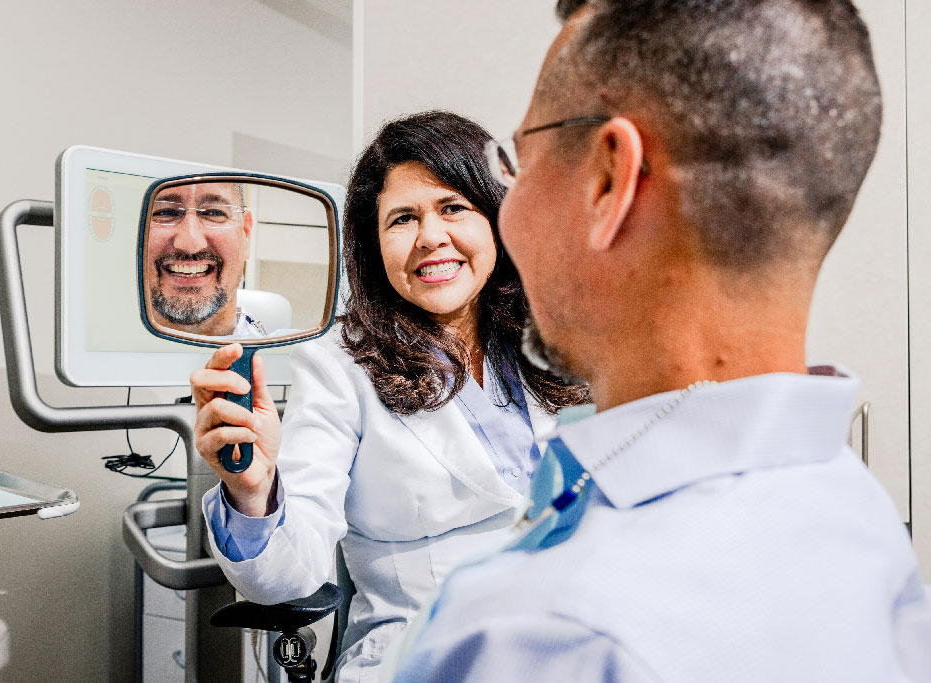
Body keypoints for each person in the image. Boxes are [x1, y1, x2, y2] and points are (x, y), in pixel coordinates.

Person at [389, 1, 931, 681]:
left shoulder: (537, 634)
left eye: (517, 160)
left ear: (611, 179)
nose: (509, 211)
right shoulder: (860, 514)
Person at [190, 111, 593, 682]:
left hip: (572, 637)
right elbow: (292, 575)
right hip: (429, 652)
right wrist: (252, 490)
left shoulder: (551, 338)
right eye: (403, 218)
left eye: (453, 208)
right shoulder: (339, 366)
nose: (432, 236)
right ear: (374, 245)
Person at [145, 181, 267, 337]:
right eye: (166, 212)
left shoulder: (286, 359)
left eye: (214, 213)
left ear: (246, 233)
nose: (190, 243)